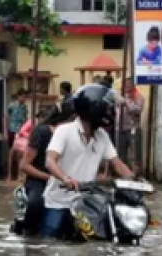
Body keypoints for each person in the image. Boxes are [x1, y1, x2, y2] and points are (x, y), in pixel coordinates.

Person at [41, 84, 137, 239]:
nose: (111, 111)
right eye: (107, 107)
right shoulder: (64, 131)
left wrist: (135, 182)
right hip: (59, 200)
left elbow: (117, 163)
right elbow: (50, 161)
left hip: (87, 202)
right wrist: (66, 179)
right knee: (50, 241)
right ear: (94, 107)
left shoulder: (102, 136)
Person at [13, 103, 73, 236]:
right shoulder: (42, 132)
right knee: (36, 204)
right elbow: (24, 165)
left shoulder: (78, 136)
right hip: (40, 180)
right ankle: (27, 230)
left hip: (67, 181)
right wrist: (49, 177)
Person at [117, 82, 145, 173]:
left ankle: (136, 173)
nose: (126, 87)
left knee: (135, 153)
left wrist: (126, 102)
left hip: (133, 128)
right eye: (125, 85)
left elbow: (136, 110)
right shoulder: (119, 97)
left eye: (129, 85)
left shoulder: (139, 97)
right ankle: (123, 173)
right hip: (120, 128)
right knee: (121, 154)